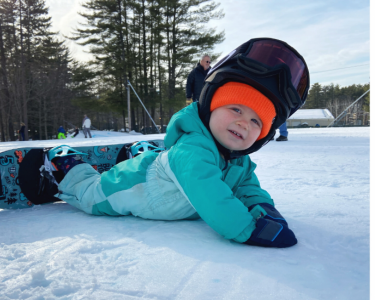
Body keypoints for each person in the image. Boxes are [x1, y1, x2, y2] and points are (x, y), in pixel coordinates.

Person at [52, 38, 310, 248]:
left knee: (170, 163)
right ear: (211, 106)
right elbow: (210, 194)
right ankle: (67, 164)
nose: (244, 123)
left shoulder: (239, 161)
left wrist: (264, 209)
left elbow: (247, 188)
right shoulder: (193, 150)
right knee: (91, 196)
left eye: (256, 121)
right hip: (133, 184)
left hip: (163, 176)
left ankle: (146, 153)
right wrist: (246, 229)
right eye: (236, 109)